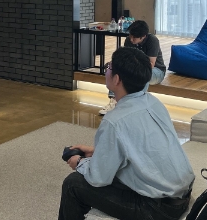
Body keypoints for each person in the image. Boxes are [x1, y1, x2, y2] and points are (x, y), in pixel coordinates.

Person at [59, 47, 194, 220]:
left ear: (117, 79)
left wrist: (79, 162)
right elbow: (141, 148)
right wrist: (97, 152)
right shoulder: (153, 103)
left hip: (157, 209)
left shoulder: (113, 121)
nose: (107, 70)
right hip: (181, 196)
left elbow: (98, 178)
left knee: (73, 184)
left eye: (109, 67)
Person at [99, 20, 166, 115]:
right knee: (117, 70)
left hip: (157, 71)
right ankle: (114, 101)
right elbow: (125, 58)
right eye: (130, 35)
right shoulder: (128, 40)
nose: (131, 39)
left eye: (134, 37)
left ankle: (136, 105)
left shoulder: (152, 40)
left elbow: (151, 64)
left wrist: (131, 68)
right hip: (137, 68)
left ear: (143, 36)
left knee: (142, 76)